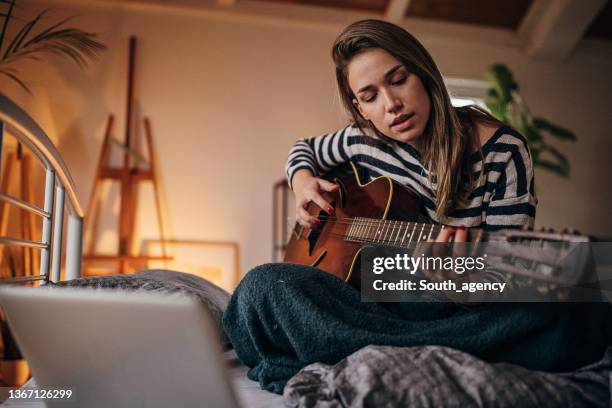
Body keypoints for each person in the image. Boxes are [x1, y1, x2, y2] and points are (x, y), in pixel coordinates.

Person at [222, 19, 612, 394]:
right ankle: (430, 353)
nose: (391, 105)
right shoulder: (361, 140)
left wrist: (460, 281)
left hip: (456, 308)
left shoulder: (503, 151)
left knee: (572, 309)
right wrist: (302, 181)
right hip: (382, 297)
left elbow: (502, 282)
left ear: (424, 73)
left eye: (398, 79)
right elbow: (303, 150)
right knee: (264, 285)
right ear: (360, 108)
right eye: (371, 96)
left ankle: (366, 351)